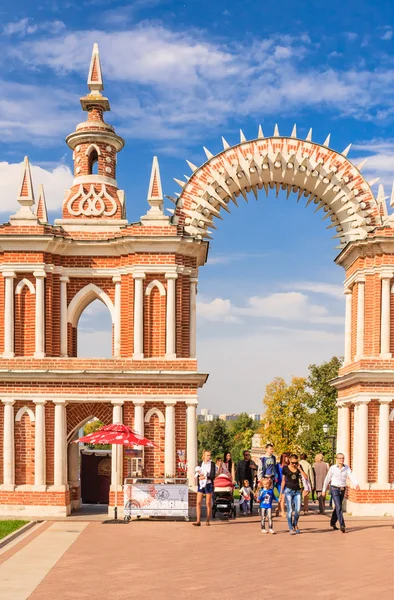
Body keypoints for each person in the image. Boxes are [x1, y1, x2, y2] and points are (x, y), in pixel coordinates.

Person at [322, 453, 359, 533]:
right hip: (334, 488)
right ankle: (342, 524)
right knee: (339, 507)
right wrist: (324, 490)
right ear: (337, 459)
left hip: (342, 489)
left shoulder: (346, 468)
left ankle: (332, 522)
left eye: (343, 458)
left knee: (337, 507)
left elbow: (351, 475)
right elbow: (327, 478)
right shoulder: (333, 468)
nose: (341, 460)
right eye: (340, 458)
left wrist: (356, 484)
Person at [280, 453, 308, 534]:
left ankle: (295, 524)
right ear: (289, 461)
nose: (294, 464)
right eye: (293, 463)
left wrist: (300, 469)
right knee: (290, 510)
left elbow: (306, 478)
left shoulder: (299, 467)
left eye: (296, 462)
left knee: (298, 510)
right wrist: (281, 492)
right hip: (288, 491)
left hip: (297, 491)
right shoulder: (285, 468)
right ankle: (290, 528)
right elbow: (283, 480)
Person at [194, 449, 216, 527]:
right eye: (207, 455)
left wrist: (205, 477)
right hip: (201, 484)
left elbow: (213, 475)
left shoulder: (212, 464)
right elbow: (197, 474)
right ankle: (198, 521)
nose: (209, 457)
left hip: (208, 484)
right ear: (204, 456)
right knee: (198, 502)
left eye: (210, 455)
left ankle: (207, 520)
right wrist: (199, 478)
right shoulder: (200, 463)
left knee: (208, 503)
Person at [275, 453, 289, 517]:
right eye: (286, 457)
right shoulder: (278, 465)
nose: (287, 459)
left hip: (288, 483)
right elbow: (275, 473)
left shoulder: (289, 465)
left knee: (282, 497)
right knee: (282, 496)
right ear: (283, 458)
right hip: (280, 483)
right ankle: (282, 512)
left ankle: (278, 509)